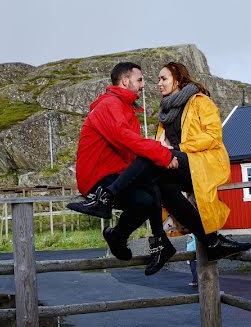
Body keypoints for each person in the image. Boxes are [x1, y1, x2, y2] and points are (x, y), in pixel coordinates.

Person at [68, 62, 177, 262]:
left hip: (115, 177)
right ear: (125, 81)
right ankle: (159, 243)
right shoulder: (109, 105)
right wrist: (163, 154)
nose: (143, 85)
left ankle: (119, 236)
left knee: (147, 198)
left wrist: (161, 155)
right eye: (140, 80)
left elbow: (131, 151)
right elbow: (126, 139)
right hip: (96, 178)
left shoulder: (126, 108)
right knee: (151, 159)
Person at [151, 61, 251, 264]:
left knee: (156, 173)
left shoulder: (200, 101)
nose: (159, 83)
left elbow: (213, 136)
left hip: (205, 162)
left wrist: (178, 150)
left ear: (177, 80)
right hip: (180, 165)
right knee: (159, 184)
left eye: (163, 79)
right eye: (158, 80)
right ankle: (212, 242)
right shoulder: (165, 113)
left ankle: (157, 243)